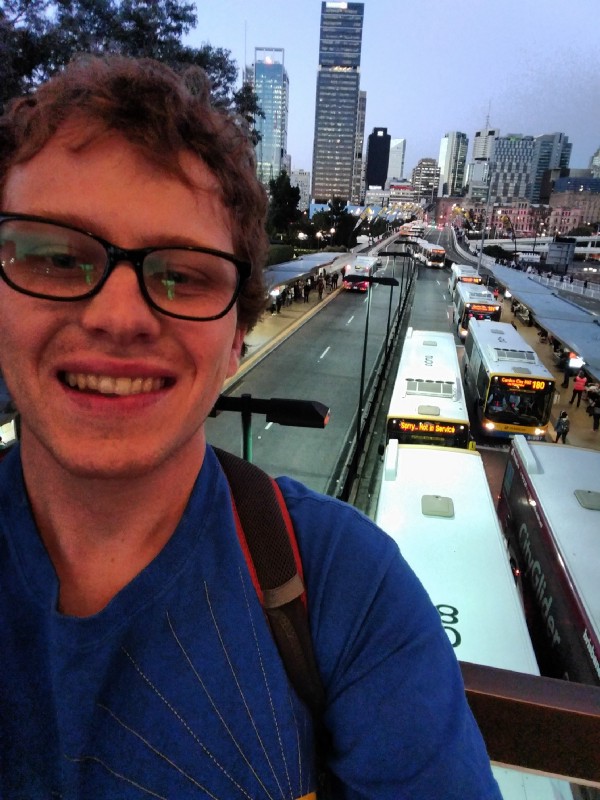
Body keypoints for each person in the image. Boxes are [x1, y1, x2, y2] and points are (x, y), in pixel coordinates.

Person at [0, 55, 502, 798]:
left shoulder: (347, 589)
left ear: (238, 334)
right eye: (53, 257)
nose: (117, 315)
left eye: (183, 274)